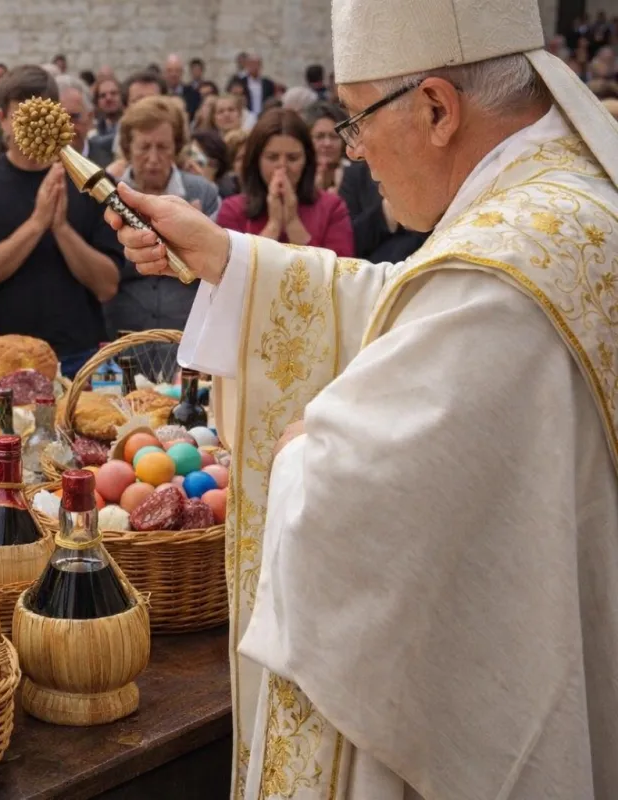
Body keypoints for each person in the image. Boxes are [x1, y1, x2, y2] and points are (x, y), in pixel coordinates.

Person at [107, 0, 618, 795]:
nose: (353, 153)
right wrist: (233, 260)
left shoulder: (503, 276)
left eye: (354, 120)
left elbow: (344, 508)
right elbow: (410, 299)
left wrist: (302, 444)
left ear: (439, 108)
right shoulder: (560, 205)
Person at [0, 65, 121, 377]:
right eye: (20, 117)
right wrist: (37, 223)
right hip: (2, 357)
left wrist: (62, 229)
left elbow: (107, 285)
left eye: (39, 116)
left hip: (78, 357)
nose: (31, 128)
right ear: (1, 120)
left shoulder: (92, 180)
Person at [105, 96, 218, 340]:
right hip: (123, 336)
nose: (154, 158)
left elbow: (215, 268)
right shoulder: (106, 195)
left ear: (176, 148)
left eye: (163, 147)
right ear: (127, 148)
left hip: (187, 336)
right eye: (144, 147)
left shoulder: (202, 193)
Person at [216, 109, 354, 256]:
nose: (282, 167)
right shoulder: (232, 210)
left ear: (306, 160)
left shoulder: (332, 207)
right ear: (256, 160)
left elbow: (340, 271)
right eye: (272, 157)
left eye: (293, 158)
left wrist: (292, 222)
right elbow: (234, 270)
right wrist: (274, 226)